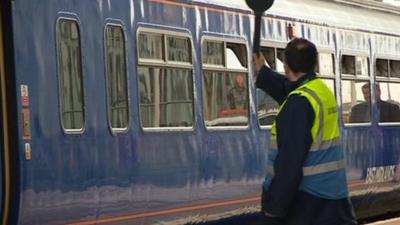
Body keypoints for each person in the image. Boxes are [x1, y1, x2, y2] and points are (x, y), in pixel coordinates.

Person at [253, 38, 357, 225]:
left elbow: (289, 163)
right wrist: (263, 72)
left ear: (285, 66)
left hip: (308, 205)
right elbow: (290, 88)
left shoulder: (299, 103)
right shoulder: (321, 92)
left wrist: (273, 210)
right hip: (332, 202)